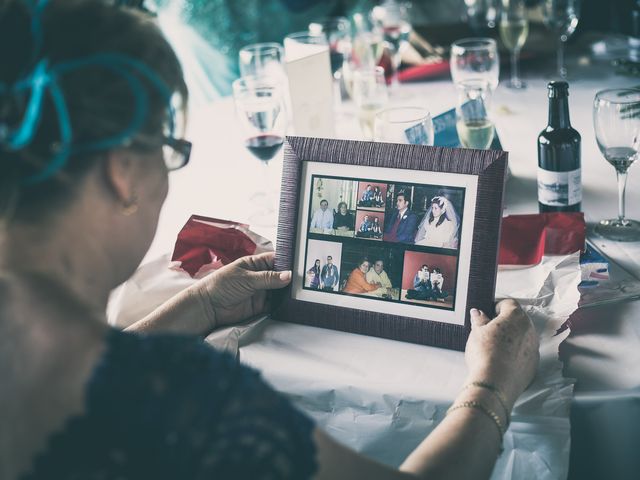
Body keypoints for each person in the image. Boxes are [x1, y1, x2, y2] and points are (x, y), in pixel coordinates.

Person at [0, 1, 540, 479]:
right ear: (122, 171)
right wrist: (493, 385)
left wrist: (201, 304)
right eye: (168, 150)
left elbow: (96, 370)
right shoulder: (186, 399)